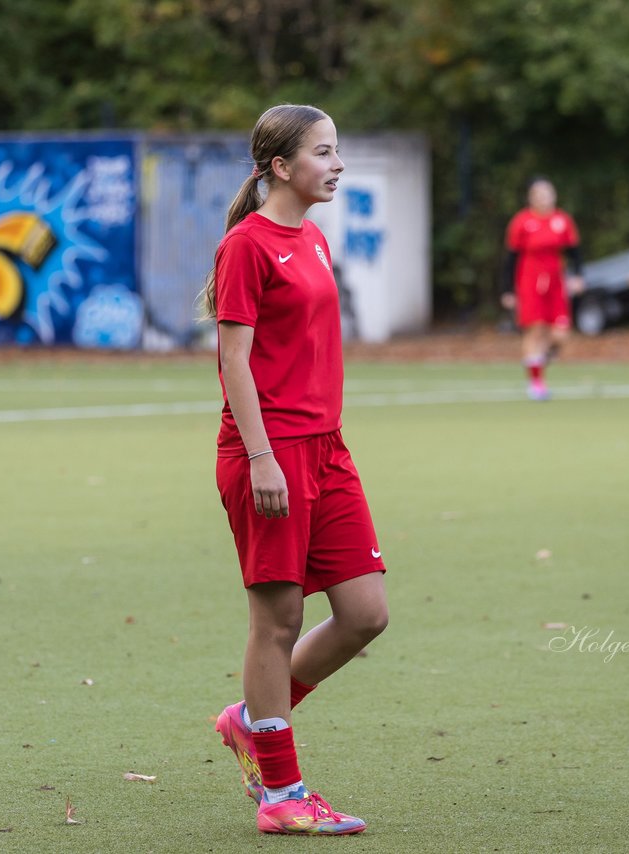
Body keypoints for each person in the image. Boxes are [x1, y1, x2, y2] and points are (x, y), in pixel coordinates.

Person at [199, 104, 388, 836]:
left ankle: (252, 722)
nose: (337, 164)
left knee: (366, 613)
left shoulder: (311, 239)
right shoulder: (246, 247)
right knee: (277, 621)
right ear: (280, 166)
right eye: (324, 152)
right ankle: (282, 796)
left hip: (327, 450)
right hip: (266, 453)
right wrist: (261, 457)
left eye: (338, 151)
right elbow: (234, 361)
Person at [500, 177, 585, 400]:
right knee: (535, 329)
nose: (544, 198)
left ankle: (537, 359)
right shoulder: (521, 221)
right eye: (539, 193)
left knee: (561, 334)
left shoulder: (562, 220)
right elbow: (510, 258)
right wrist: (507, 290)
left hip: (555, 279)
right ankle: (536, 383)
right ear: (531, 197)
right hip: (529, 279)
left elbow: (574, 251)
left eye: (548, 193)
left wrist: (577, 276)